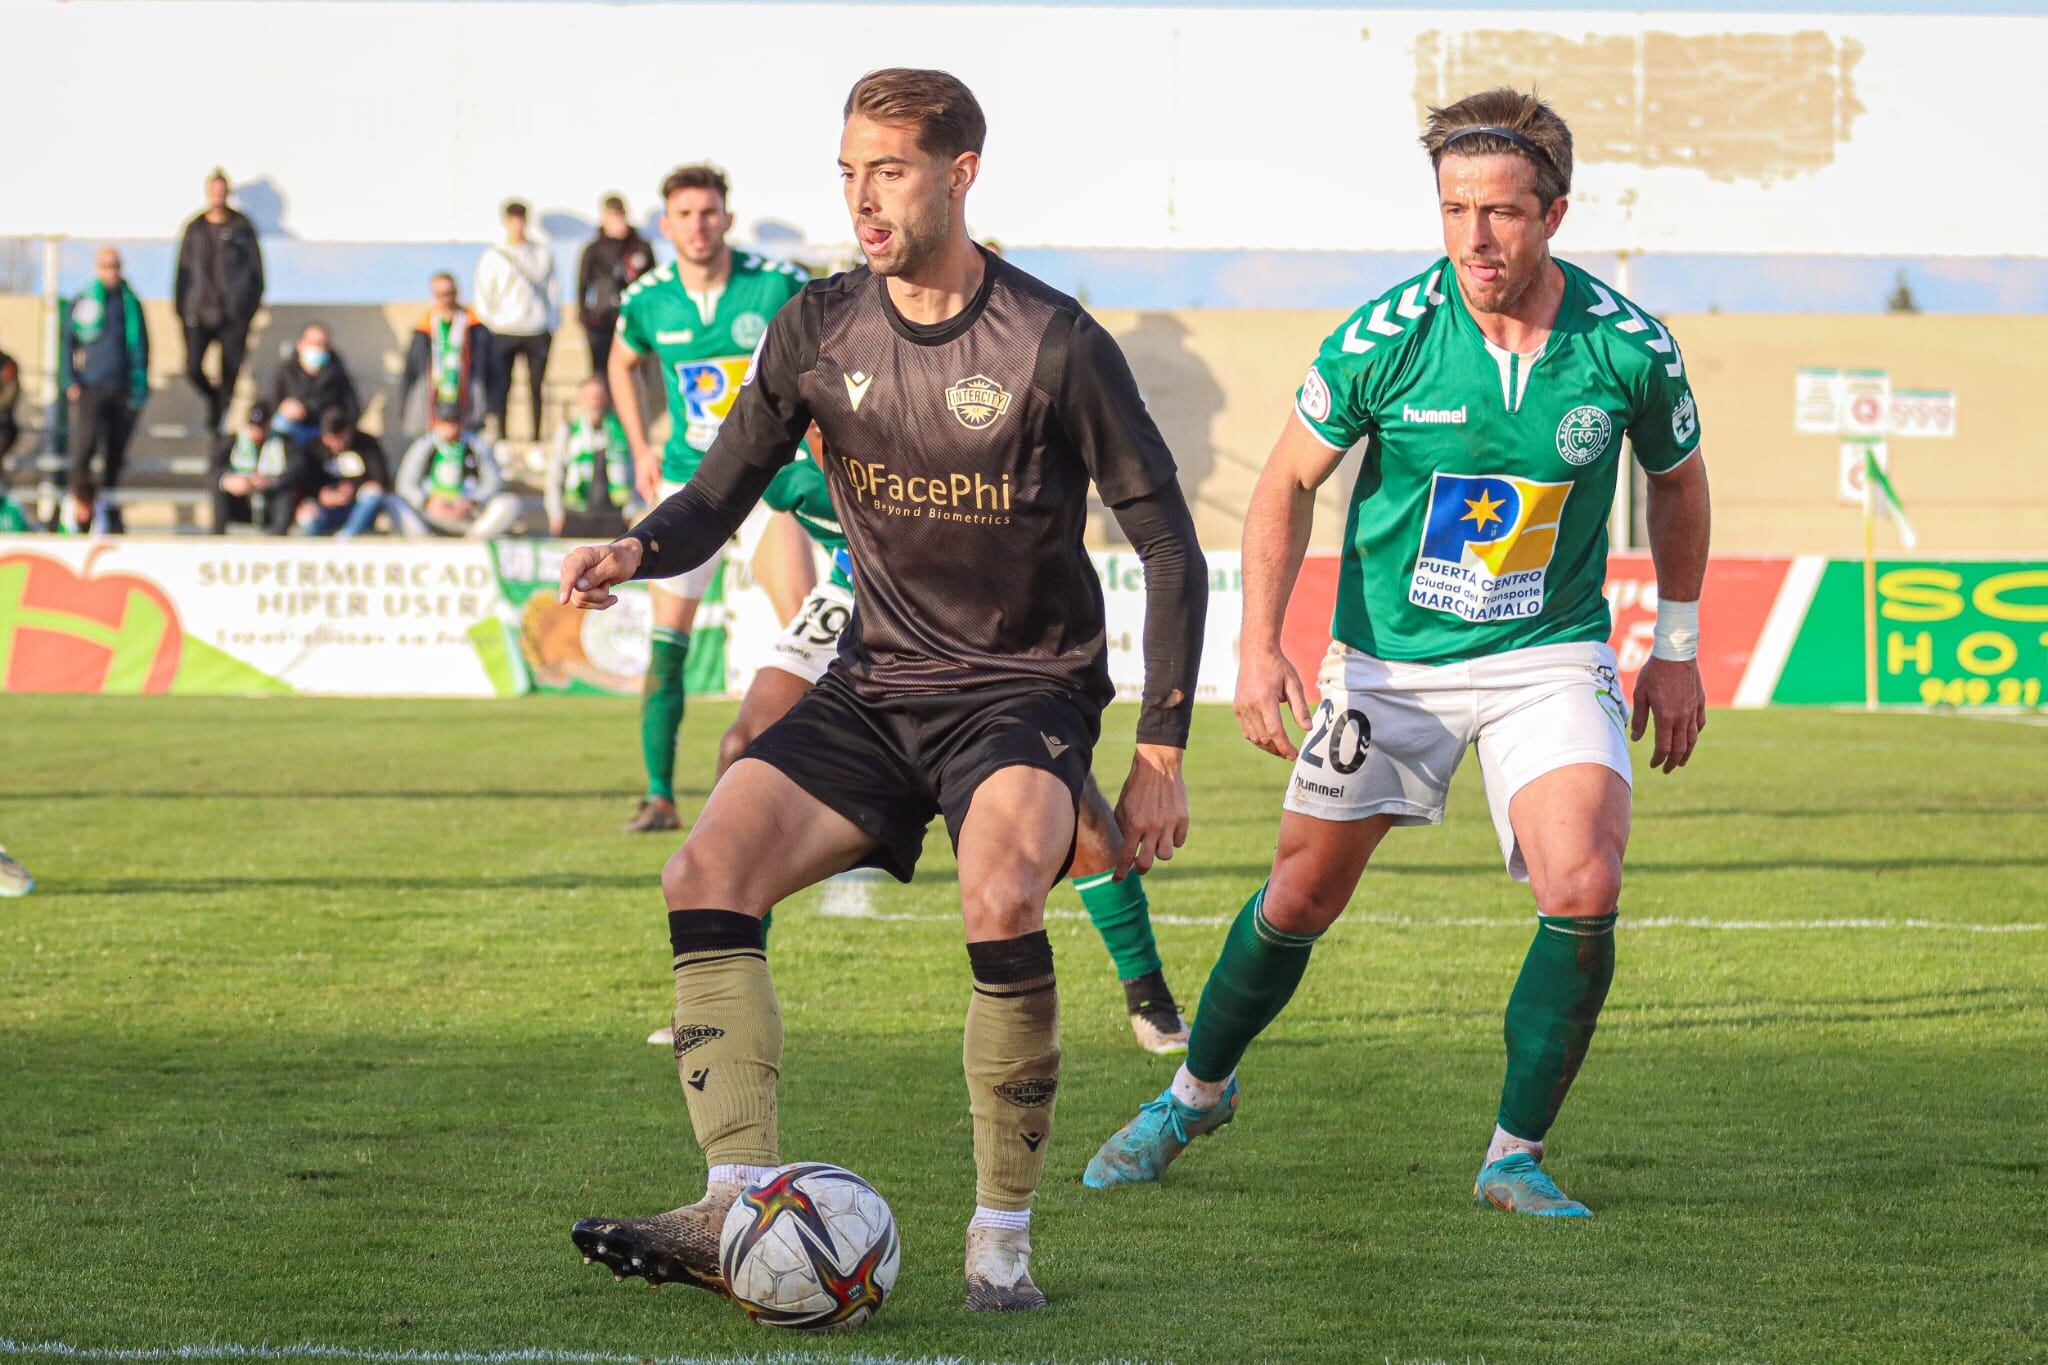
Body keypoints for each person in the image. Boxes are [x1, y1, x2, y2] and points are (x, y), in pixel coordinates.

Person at [559, 67, 1207, 1313]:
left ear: (960, 175)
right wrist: (636, 548)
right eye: (847, 171)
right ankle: (737, 1205)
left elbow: (1167, 541)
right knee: (702, 870)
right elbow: (717, 494)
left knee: (1001, 888)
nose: (862, 197)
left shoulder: (1054, 340)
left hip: (1020, 692)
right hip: (875, 678)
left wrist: (1162, 751)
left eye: (889, 171)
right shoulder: (813, 327)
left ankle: (999, 1242)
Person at [1082, 88, 1713, 1221]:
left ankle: (1511, 1156)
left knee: (1584, 880)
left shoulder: (1626, 347)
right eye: (1454, 208)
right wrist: (1260, 644)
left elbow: (1676, 481)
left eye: (1502, 212)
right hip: (1385, 667)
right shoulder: (1382, 337)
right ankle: (1193, 1093)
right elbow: (1280, 482)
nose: (1474, 237)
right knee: (1300, 896)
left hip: (1547, 659)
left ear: (1554, 214)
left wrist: (1675, 645)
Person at [693, 453, 1192, 1056]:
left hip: (958, 605)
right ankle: (727, 981)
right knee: (741, 745)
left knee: (1073, 803)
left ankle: (1147, 993)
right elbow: (766, 492)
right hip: (853, 591)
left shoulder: (938, 389)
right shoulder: (794, 430)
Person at [606, 164, 813, 835]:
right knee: (667, 644)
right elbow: (620, 361)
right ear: (665, 226)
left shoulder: (775, 282)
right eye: (685, 215)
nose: (698, 225)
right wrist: (639, 444)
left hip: (767, 484)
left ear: (727, 216)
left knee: (811, 630)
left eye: (709, 212)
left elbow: (827, 350)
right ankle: (660, 795)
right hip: (688, 487)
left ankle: (816, 788)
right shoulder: (646, 299)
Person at [59, 247, 150, 534]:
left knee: (114, 455)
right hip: (91, 387)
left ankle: (107, 511)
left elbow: (143, 346)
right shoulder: (84, 301)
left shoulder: (130, 303)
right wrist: (70, 379)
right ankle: (77, 510)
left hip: (121, 388)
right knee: (83, 451)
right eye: (105, 265)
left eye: (115, 265)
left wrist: (139, 385)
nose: (110, 271)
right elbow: (67, 342)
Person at [175, 168, 265, 432]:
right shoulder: (195, 228)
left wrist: (246, 308)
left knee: (230, 375)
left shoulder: (241, 227)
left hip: (232, 315)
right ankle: (214, 400)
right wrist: (183, 309)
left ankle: (219, 427)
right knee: (192, 367)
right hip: (198, 311)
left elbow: (256, 273)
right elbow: (183, 272)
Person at [475, 200, 556, 441]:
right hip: (503, 331)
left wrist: (549, 322)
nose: (518, 225)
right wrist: (494, 322)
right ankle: (501, 439)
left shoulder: (541, 253)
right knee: (501, 387)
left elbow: (554, 290)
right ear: (505, 222)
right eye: (513, 220)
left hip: (536, 330)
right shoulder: (493, 256)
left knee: (536, 388)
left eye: (521, 219)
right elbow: (483, 294)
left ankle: (536, 440)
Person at [396, 405, 523, 538]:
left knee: (511, 504)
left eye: (454, 422)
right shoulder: (423, 446)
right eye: (445, 422)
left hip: (468, 514)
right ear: (436, 423)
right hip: (430, 514)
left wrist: (472, 501)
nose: (450, 428)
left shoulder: (477, 445)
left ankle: (475, 537)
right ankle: (425, 539)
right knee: (395, 502)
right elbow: (405, 483)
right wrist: (427, 501)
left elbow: (494, 481)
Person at [398, 273, 492, 437]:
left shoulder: (475, 327)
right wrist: (404, 405)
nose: (446, 299)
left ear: (457, 292)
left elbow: (491, 368)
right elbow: (410, 371)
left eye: (450, 293)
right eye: (440, 294)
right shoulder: (424, 328)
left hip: (466, 400)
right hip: (432, 403)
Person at [544, 377, 637, 539]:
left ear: (606, 399)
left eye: (598, 396)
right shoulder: (569, 431)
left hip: (613, 517)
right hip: (576, 514)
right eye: (589, 397)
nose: (595, 402)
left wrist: (631, 510)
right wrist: (555, 513)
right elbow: (555, 475)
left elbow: (634, 472)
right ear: (581, 400)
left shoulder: (620, 432)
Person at [576, 195, 655, 384]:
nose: (617, 221)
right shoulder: (594, 249)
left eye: (620, 215)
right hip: (601, 321)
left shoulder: (640, 247)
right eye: (612, 216)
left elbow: (653, 282)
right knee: (601, 374)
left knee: (635, 374)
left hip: (633, 319)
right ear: (604, 219)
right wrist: (585, 315)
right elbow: (582, 283)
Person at [210, 400, 291, 532]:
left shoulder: (283, 442)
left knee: (286, 493)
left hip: (268, 501)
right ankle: (218, 535)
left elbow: (297, 470)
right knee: (221, 487)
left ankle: (278, 534)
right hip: (242, 501)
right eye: (253, 426)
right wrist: (228, 481)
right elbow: (213, 470)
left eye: (261, 427)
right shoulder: (232, 442)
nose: (257, 432)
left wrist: (271, 481)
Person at [265, 323, 360, 433]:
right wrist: (284, 408)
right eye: (312, 343)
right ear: (300, 345)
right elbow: (271, 402)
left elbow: (352, 409)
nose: (316, 348)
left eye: (321, 344)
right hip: (292, 429)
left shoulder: (337, 373)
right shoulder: (287, 371)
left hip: (322, 433)